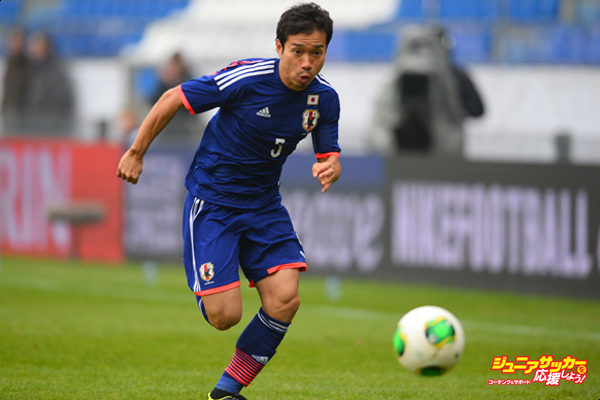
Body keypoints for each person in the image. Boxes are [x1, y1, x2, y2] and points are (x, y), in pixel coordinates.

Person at [116, 3, 341, 399]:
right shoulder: (246, 78)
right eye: (298, 51)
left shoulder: (324, 99)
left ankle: (227, 390)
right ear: (279, 47)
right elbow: (173, 97)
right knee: (225, 317)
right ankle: (211, 286)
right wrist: (136, 151)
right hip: (215, 203)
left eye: (317, 52)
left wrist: (331, 166)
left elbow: (329, 153)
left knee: (286, 299)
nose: (307, 62)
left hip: (264, 205)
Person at [369, 24, 484, 157]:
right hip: (400, 145)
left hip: (439, 146)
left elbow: (477, 110)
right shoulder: (399, 76)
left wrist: (452, 110)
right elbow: (383, 120)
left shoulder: (453, 77)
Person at [24, 31, 74, 136]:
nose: (34, 49)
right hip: (32, 128)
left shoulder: (55, 71)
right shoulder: (32, 70)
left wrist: (51, 126)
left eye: (39, 46)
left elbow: (62, 102)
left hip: (49, 131)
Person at [1, 28, 29, 133]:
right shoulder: (10, 64)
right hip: (8, 113)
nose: (14, 45)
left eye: (17, 41)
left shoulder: (27, 65)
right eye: (12, 41)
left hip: (22, 116)